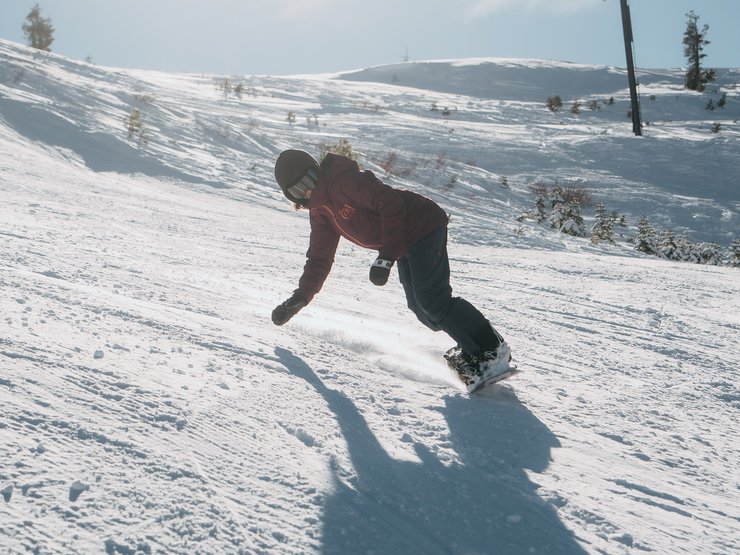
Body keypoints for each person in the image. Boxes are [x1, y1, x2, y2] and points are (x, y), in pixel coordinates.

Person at [270, 149, 511, 390]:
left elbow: (391, 203)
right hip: (404, 242)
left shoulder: (344, 182)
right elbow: (319, 258)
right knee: (422, 310)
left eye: (308, 181)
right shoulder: (320, 212)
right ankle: (472, 349)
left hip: (422, 226)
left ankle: (491, 348)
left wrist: (386, 257)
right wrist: (300, 298)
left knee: (433, 301)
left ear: (317, 171)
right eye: (297, 190)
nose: (307, 191)